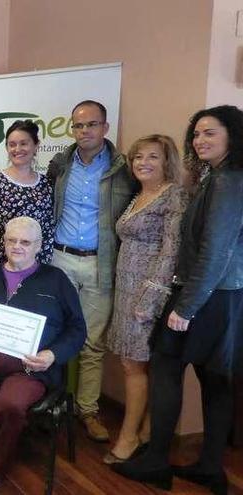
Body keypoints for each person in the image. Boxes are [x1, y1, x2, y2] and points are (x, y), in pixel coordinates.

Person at [114, 105, 243, 494]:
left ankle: (156, 460)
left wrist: (186, 306)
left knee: (167, 364)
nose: (200, 140)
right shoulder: (217, 176)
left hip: (207, 296)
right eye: (197, 134)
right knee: (215, 379)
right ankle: (210, 467)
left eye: (210, 133)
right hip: (222, 296)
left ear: (232, 136)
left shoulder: (227, 181)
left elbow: (216, 251)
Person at [0, 216, 85, 492]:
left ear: (38, 246)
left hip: (29, 366)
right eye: (11, 240)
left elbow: (77, 328)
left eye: (25, 242)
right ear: (4, 242)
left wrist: (52, 355)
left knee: (8, 406)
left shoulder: (56, 280)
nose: (17, 246)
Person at [47, 100, 135, 442]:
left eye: (92, 125)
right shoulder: (60, 164)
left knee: (91, 344)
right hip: (59, 260)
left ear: (105, 128)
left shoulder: (123, 168)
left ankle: (88, 411)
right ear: (72, 129)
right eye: (79, 126)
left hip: (100, 263)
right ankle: (50, 401)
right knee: (53, 334)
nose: (85, 131)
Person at [102, 135, 187, 464]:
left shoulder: (173, 196)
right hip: (125, 288)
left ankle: (129, 437)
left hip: (147, 294)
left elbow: (170, 253)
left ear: (167, 161)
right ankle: (147, 431)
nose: (143, 163)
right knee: (136, 364)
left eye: (152, 157)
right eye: (138, 157)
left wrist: (149, 299)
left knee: (134, 366)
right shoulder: (140, 195)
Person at [0, 119, 54, 269]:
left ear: (36, 146)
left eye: (23, 143)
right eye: (12, 144)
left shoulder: (46, 184)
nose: (17, 149)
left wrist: (45, 266)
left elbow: (47, 230)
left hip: (34, 268)